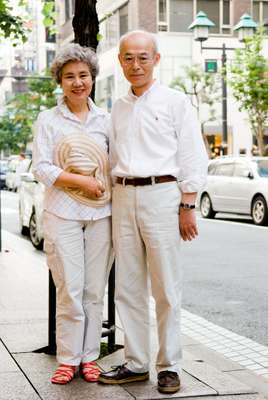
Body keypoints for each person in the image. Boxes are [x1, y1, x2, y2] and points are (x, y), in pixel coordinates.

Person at [98, 31, 208, 394]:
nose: (136, 64)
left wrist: (188, 205)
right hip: (123, 194)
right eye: (128, 58)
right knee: (127, 287)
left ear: (156, 60)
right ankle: (135, 361)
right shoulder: (118, 106)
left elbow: (192, 155)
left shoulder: (176, 102)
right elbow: (113, 158)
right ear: (121, 62)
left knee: (166, 288)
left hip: (163, 195)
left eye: (143, 57)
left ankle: (169, 366)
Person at [32, 43, 113, 385]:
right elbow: (42, 167)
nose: (77, 83)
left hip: (101, 214)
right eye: (69, 77)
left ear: (92, 78)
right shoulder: (48, 119)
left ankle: (90, 357)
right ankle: (67, 359)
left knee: (94, 290)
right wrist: (80, 179)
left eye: (83, 75)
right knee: (69, 287)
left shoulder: (107, 120)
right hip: (62, 213)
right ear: (60, 82)